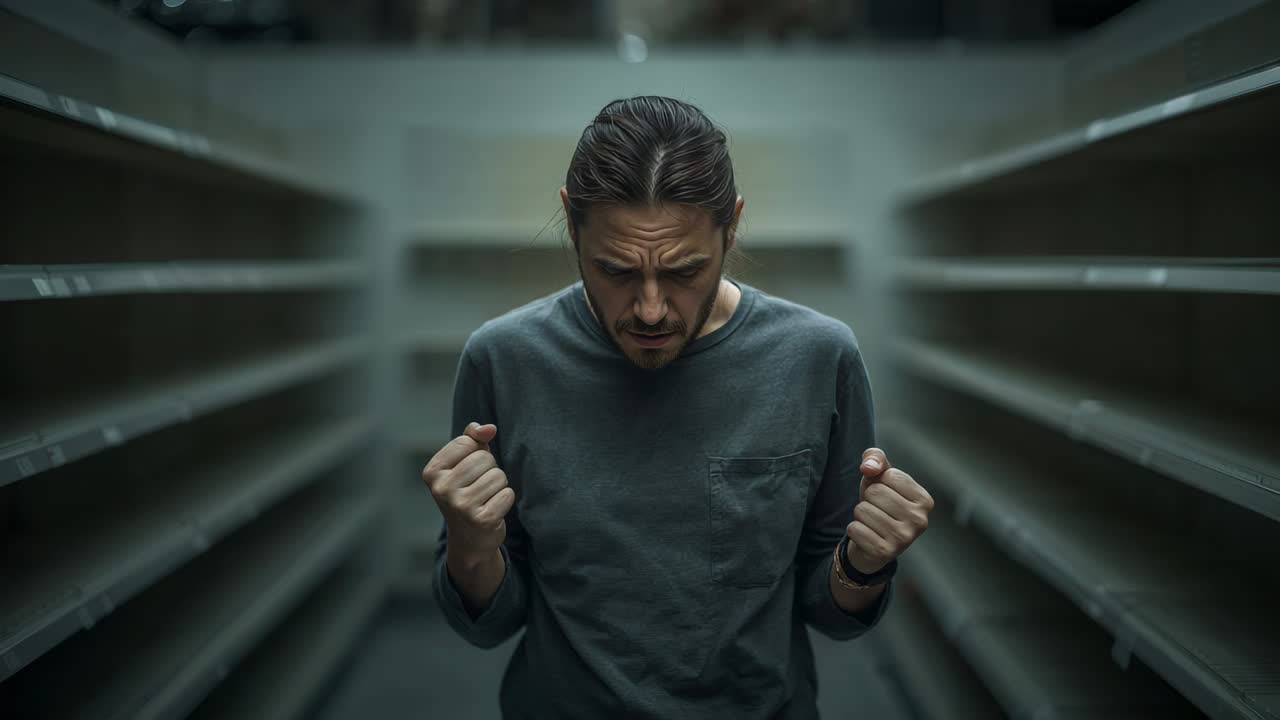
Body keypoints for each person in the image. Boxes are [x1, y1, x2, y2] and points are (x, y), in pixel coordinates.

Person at [424, 95, 933, 719]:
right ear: (569, 222)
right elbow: (489, 625)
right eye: (614, 270)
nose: (650, 309)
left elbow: (831, 615)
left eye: (684, 270)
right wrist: (470, 547)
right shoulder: (502, 359)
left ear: (733, 228)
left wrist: (864, 563)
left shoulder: (817, 357)